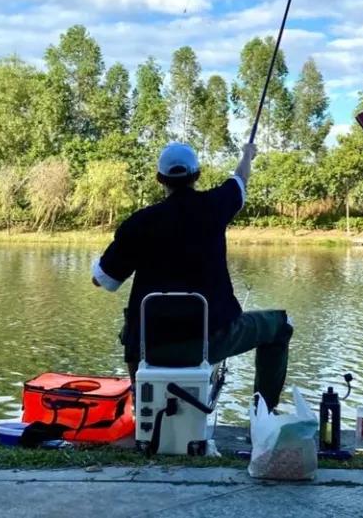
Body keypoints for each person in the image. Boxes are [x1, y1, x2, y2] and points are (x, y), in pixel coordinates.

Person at [91, 141, 293, 412]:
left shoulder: (138, 223)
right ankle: (264, 413)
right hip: (211, 341)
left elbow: (104, 280)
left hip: (149, 348)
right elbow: (239, 179)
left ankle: (142, 407)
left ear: (159, 179)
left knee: (132, 324)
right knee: (281, 326)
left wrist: (104, 261)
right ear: (197, 175)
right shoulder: (215, 206)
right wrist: (247, 154)